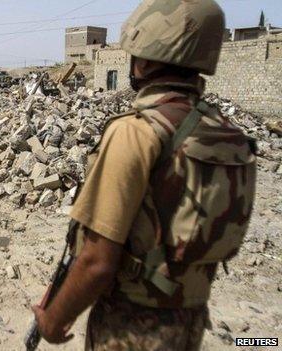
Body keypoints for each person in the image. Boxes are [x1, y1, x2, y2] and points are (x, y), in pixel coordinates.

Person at [31, 0, 257, 349]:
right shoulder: (229, 135)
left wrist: (52, 320)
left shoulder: (136, 133)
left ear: (147, 56)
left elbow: (96, 263)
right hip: (190, 322)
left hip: (130, 327)